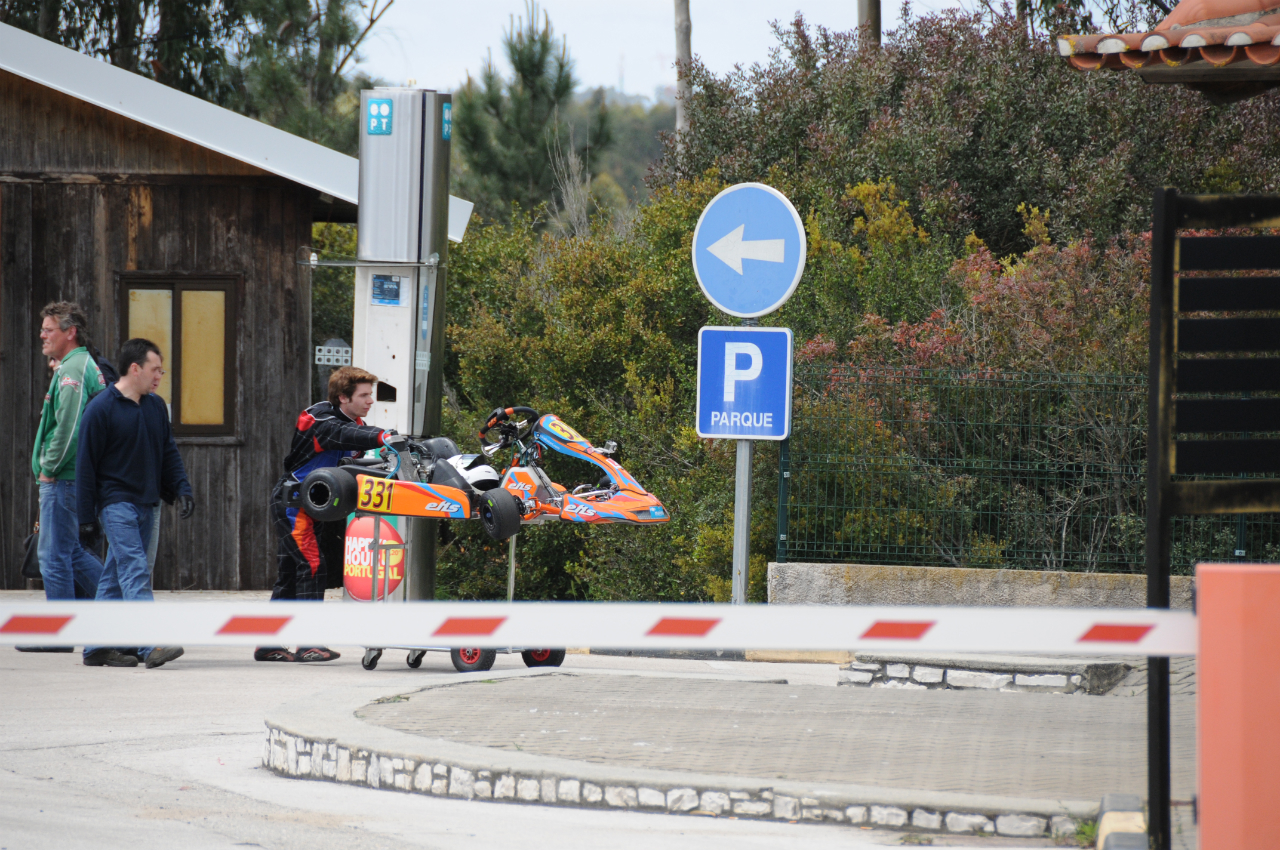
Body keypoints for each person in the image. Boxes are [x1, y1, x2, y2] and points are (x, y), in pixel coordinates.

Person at [257, 366, 400, 663]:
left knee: (289, 574)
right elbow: (345, 435)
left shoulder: (352, 420)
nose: (370, 400)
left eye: (370, 394)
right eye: (364, 395)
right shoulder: (321, 419)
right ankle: (309, 643)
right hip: (293, 503)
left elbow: (354, 448)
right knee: (312, 566)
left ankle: (267, 643)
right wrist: (384, 436)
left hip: (313, 505)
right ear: (343, 398)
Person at [76, 339, 195, 669]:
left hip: (148, 503)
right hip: (116, 505)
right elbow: (85, 465)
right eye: (156, 369)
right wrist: (85, 517)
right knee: (134, 569)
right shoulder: (101, 408)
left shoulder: (156, 406)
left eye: (161, 370)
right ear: (135, 368)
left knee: (115, 576)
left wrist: (182, 488)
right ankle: (149, 644)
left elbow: (168, 451)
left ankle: (96, 647)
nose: (160, 376)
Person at [23, 302, 108, 654]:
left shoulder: (73, 369)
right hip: (73, 476)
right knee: (69, 552)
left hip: (63, 477)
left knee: (53, 556)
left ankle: (58, 635)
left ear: (69, 332)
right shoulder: (78, 365)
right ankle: (123, 608)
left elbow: (69, 426)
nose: (42, 335)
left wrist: (49, 467)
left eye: (48, 329)